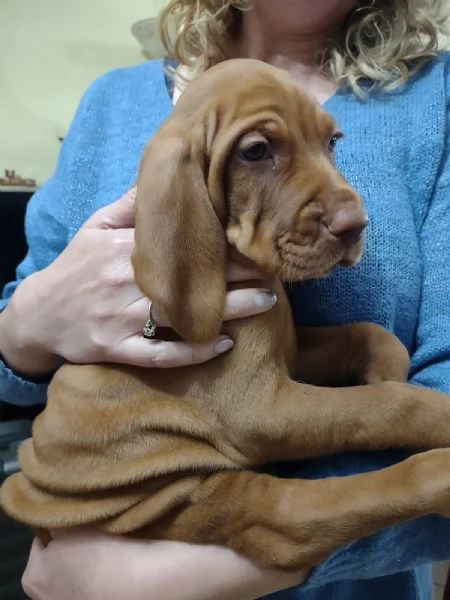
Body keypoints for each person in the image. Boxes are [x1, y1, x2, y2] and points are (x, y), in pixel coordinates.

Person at [1, 0, 450, 598]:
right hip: (133, 495)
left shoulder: (436, 97)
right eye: (258, 150)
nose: (349, 212)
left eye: (331, 144)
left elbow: (254, 369)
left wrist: (171, 579)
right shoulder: (111, 104)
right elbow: (249, 400)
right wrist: (25, 325)